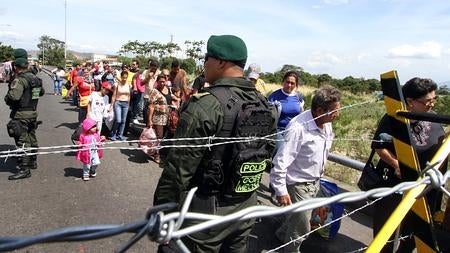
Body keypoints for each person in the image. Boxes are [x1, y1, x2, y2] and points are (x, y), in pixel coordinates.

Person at [153, 34, 277, 253]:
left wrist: (162, 214)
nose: (204, 63)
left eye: (207, 58)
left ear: (221, 62)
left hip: (206, 214)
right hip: (246, 208)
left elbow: (178, 170)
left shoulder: (206, 105)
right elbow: (269, 152)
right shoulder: (264, 104)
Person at [371, 77, 448, 253]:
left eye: (434, 99)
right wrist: (398, 164)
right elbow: (379, 146)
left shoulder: (434, 119)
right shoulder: (394, 118)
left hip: (424, 190)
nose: (432, 104)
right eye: (427, 101)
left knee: (414, 234)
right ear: (410, 102)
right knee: (385, 232)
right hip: (394, 185)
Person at [270, 85, 342, 253]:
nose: (338, 114)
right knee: (301, 229)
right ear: (319, 110)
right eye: (334, 110)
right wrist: (281, 190)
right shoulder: (298, 128)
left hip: (314, 181)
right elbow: (280, 161)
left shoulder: (326, 123)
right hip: (298, 184)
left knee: (296, 219)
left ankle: (281, 235)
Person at [4, 48, 45, 180]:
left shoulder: (20, 80)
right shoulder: (35, 78)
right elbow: (41, 92)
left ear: (16, 66)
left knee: (22, 140)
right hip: (32, 112)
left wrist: (8, 96)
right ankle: (32, 161)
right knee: (31, 138)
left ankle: (24, 168)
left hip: (21, 114)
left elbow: (14, 97)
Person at [147, 74, 171, 163]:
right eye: (160, 81)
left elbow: (170, 100)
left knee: (163, 136)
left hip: (166, 117)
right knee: (159, 137)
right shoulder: (154, 91)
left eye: (163, 81)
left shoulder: (168, 90)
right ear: (157, 82)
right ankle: (157, 155)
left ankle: (155, 151)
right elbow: (151, 107)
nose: (162, 83)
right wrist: (149, 120)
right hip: (157, 117)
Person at [109, 71, 131, 141]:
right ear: (121, 77)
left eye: (126, 77)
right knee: (118, 120)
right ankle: (113, 134)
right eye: (123, 77)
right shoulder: (117, 84)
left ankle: (120, 135)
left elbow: (129, 95)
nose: (124, 79)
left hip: (126, 104)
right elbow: (114, 95)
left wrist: (129, 104)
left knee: (123, 121)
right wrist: (111, 105)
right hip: (118, 102)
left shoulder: (129, 85)